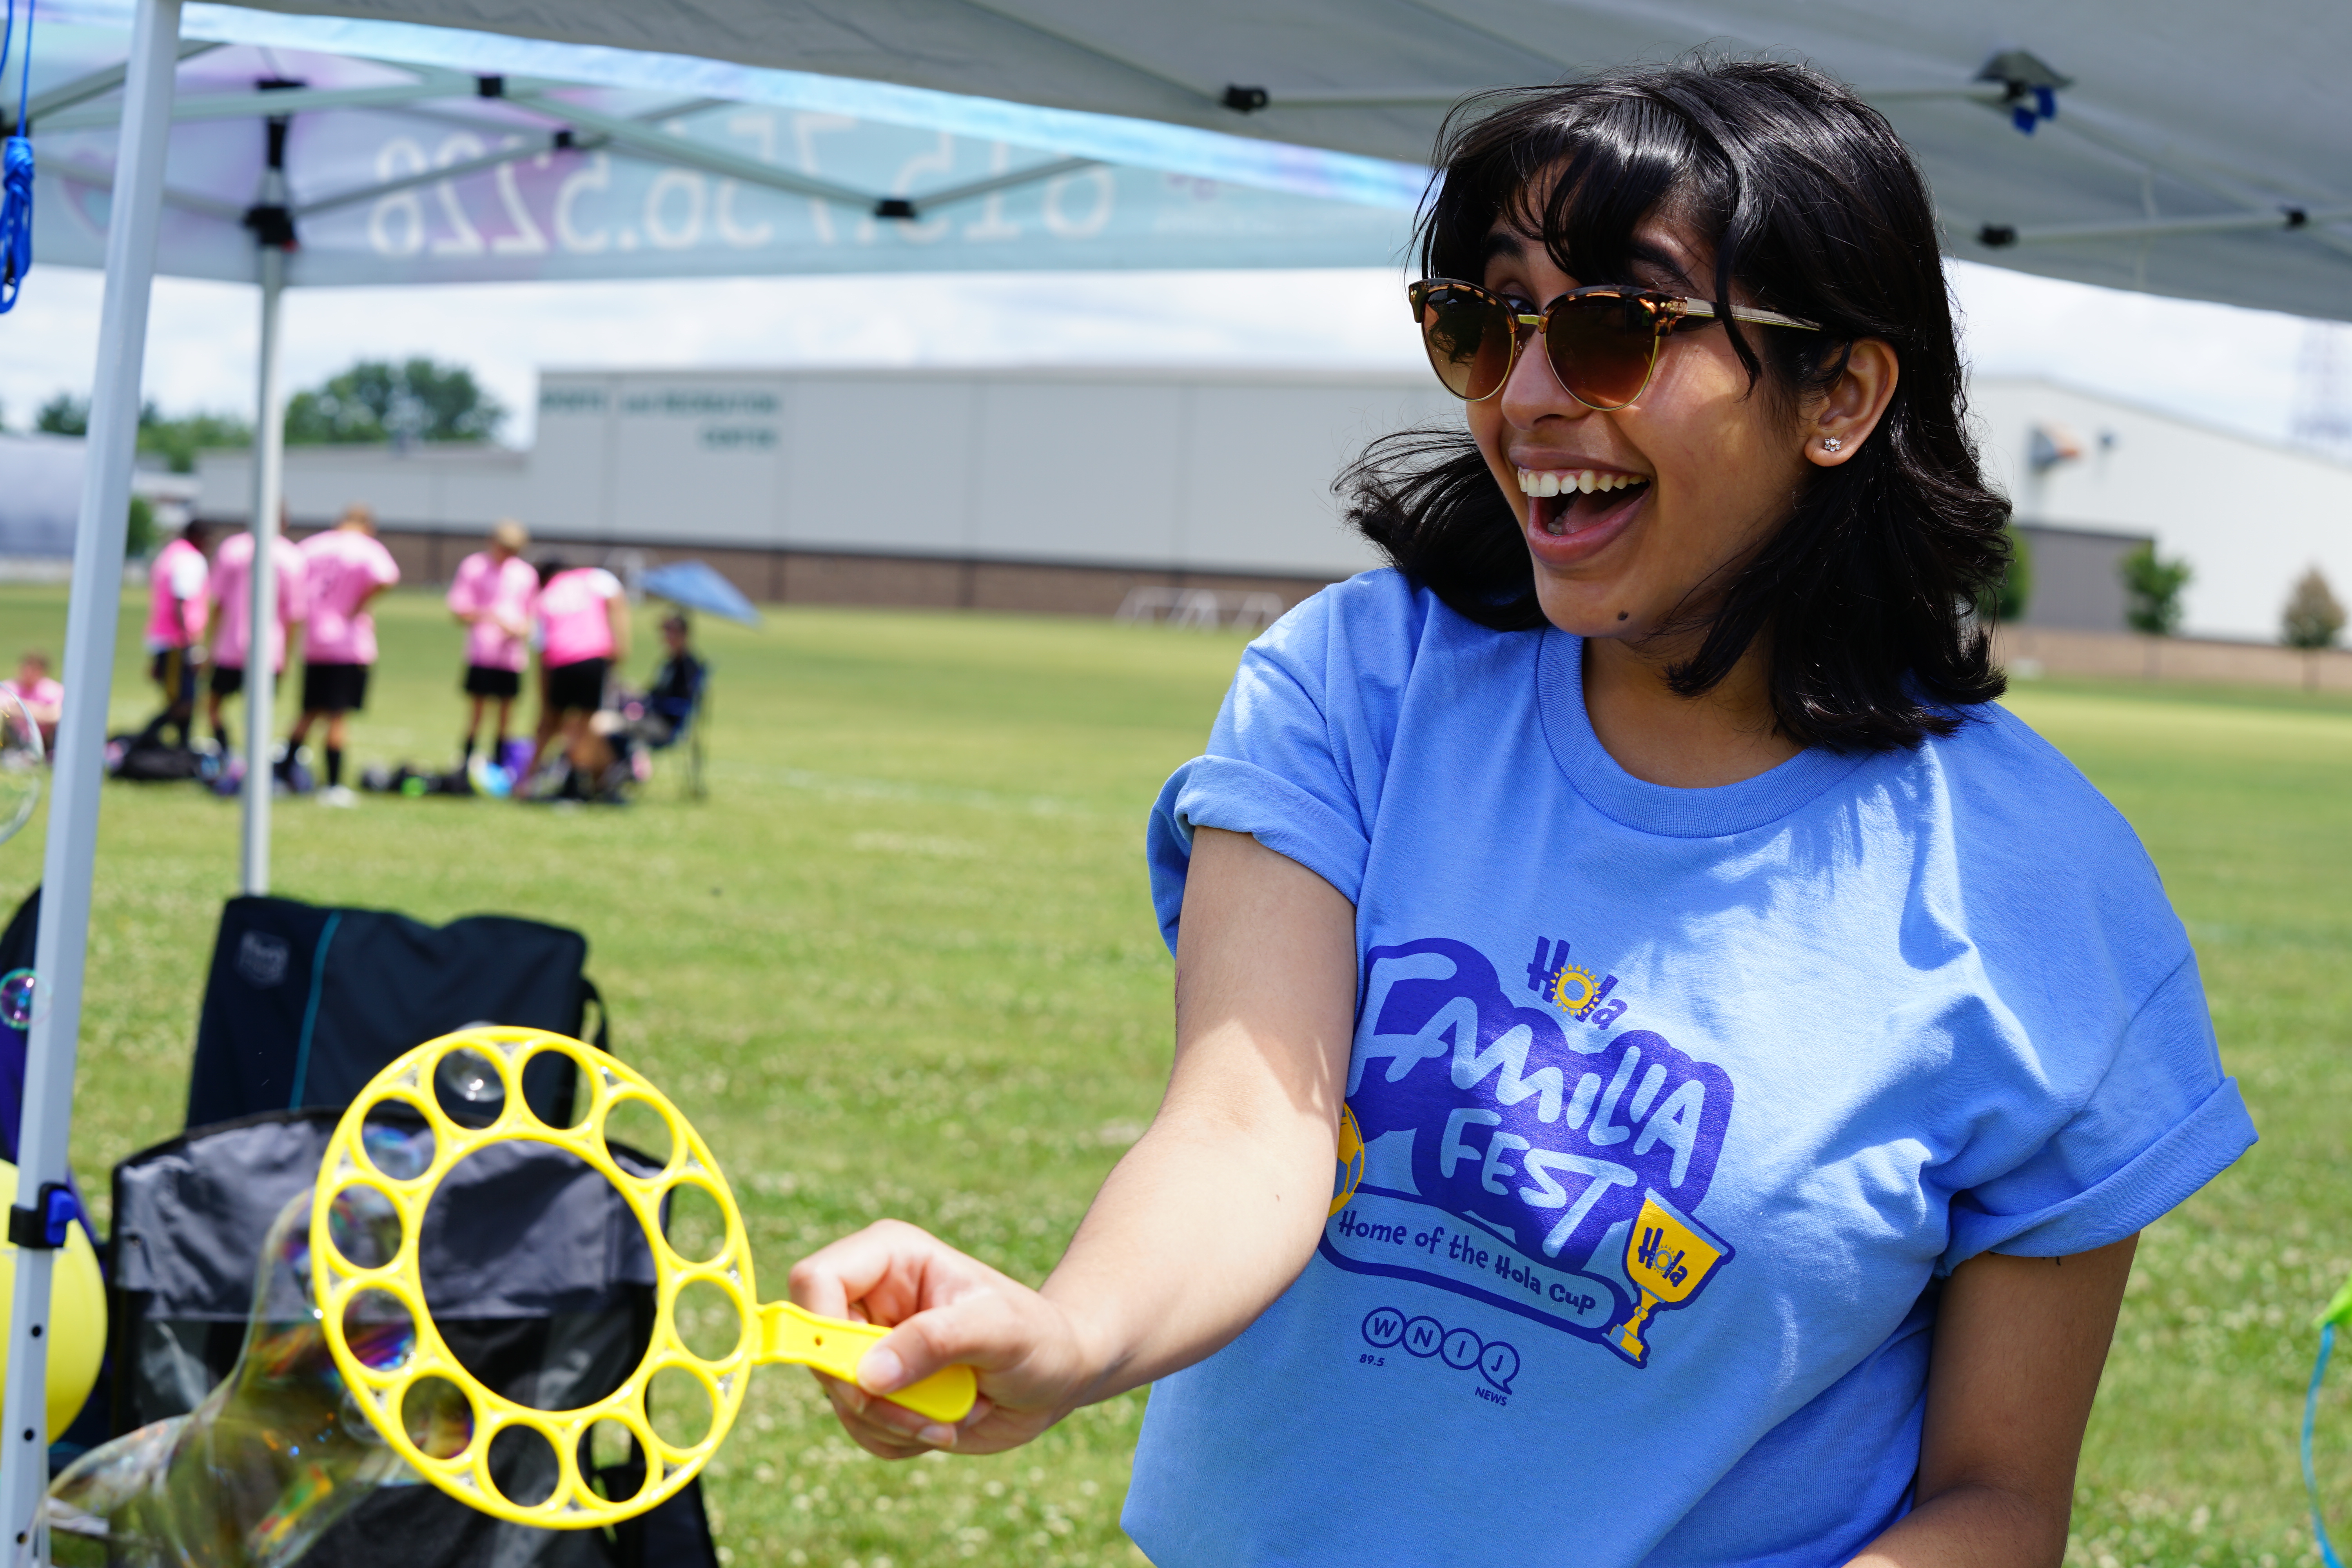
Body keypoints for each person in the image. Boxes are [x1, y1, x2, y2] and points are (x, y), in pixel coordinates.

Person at [786, 60, 2258, 1566]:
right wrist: (1070, 1330)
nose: (1531, 392)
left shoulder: (2042, 890)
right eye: (1484, 321)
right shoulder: (1360, 681)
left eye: (1619, 324)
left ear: (1839, 395)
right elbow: (1246, 1131)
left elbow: (1996, 1500)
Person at [286, 504, 399, 807]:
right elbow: (388, 577)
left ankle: (282, 774)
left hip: (314, 640)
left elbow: (290, 575)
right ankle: (334, 784)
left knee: (309, 711)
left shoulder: (314, 546)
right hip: (348, 642)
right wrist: (359, 602)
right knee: (337, 715)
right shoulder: (366, 548)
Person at [202, 519, 308, 757]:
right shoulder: (291, 556)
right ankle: (253, 760)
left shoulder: (233, 549)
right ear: (285, 521)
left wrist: (210, 645)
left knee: (212, 706)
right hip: (270, 650)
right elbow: (294, 614)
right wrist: (287, 656)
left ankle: (226, 753)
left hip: (230, 646)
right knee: (259, 712)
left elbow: (217, 603)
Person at [446, 519, 538, 786]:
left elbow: (532, 616)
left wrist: (520, 630)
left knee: (506, 716)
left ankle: (501, 767)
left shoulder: (525, 574)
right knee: (476, 713)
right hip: (482, 651)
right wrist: (489, 617)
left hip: (511, 656)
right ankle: (466, 765)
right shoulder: (474, 567)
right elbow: (459, 609)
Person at [528, 556, 628, 799]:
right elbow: (617, 602)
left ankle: (528, 784)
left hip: (559, 660)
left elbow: (542, 647)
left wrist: (545, 701)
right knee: (585, 724)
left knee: (557, 724)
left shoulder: (547, 595)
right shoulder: (593, 577)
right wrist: (621, 647)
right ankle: (577, 784)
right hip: (593, 656)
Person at [139, 521, 210, 750]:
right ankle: (145, 739)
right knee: (185, 701)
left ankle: (183, 746)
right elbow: (182, 600)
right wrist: (192, 642)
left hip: (162, 638)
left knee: (178, 698)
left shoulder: (168, 555)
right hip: (177, 640)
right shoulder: (190, 559)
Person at [0, 653, 62, 753]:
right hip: (17, 735)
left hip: (46, 737)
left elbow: (56, 715)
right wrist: (41, 711)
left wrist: (21, 707)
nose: (28, 673)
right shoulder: (10, 687)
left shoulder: (52, 690)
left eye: (34, 670)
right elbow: (4, 707)